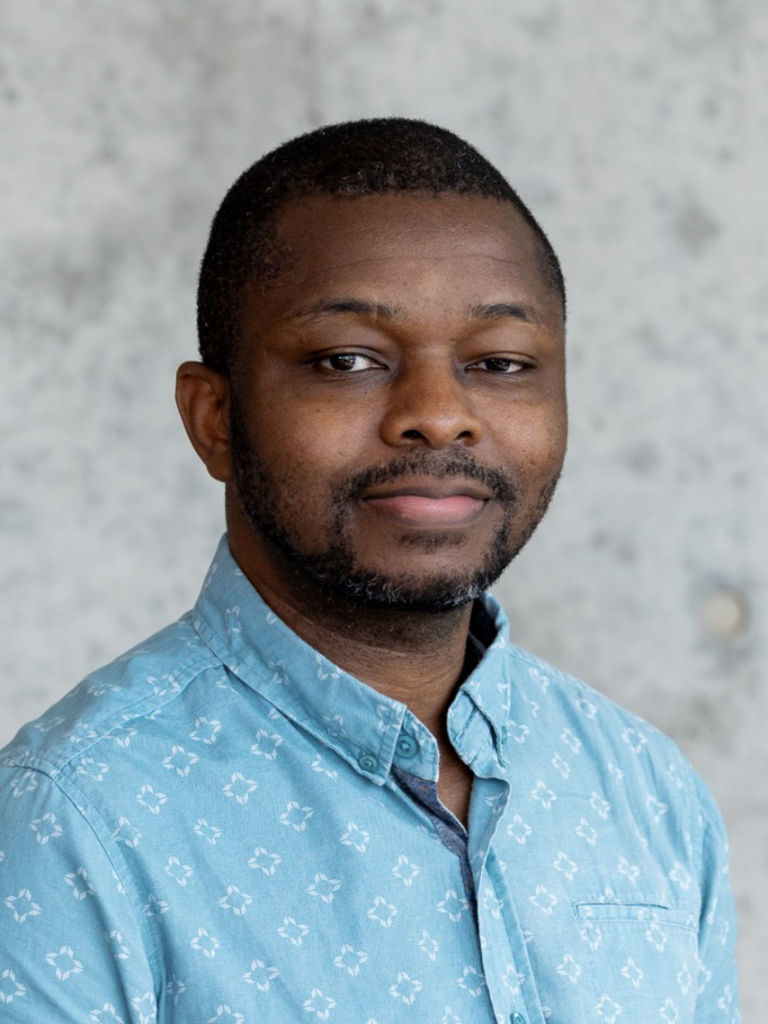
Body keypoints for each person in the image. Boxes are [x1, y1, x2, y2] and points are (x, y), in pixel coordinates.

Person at [0, 118, 738, 1024]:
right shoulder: (70, 817)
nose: (439, 414)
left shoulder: (647, 790)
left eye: (500, 363)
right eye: (347, 360)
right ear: (215, 418)